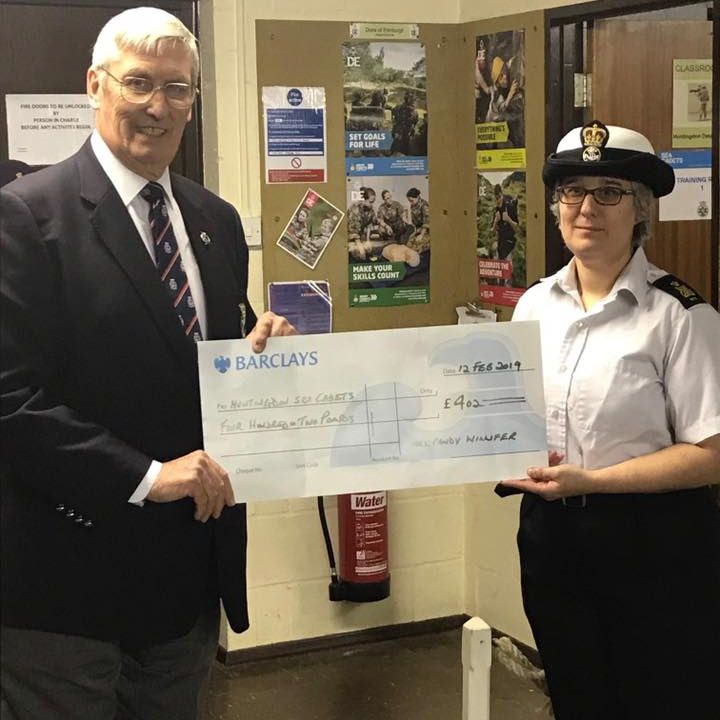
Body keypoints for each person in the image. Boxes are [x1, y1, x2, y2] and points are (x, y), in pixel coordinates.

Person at [0, 8, 295, 720]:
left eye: (177, 88)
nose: (158, 106)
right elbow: (11, 399)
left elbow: (194, 354)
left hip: (187, 580)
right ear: (94, 86)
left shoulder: (215, 221)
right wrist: (148, 476)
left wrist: (259, 351)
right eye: (138, 83)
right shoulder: (25, 216)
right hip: (66, 591)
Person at [497, 120, 720, 720]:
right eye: (572, 191)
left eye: (609, 192)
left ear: (641, 210)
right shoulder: (533, 304)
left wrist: (593, 482)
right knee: (576, 695)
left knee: (659, 699)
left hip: (653, 541)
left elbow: (712, 454)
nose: (586, 208)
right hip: (551, 538)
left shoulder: (680, 315)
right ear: (555, 207)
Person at [490, 183, 519, 285]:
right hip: (500, 244)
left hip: (511, 245)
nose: (497, 200)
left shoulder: (510, 207)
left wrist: (508, 220)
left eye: (499, 197)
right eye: (496, 198)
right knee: (499, 275)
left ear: (501, 195)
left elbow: (517, 228)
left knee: (508, 274)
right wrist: (495, 221)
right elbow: (492, 231)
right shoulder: (496, 210)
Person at [347, 186, 381, 261]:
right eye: (370, 202)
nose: (372, 204)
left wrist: (368, 240)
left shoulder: (370, 210)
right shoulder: (355, 209)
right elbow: (353, 231)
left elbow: (369, 225)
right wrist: (360, 246)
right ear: (364, 200)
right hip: (350, 235)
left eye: (373, 202)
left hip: (359, 234)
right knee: (360, 254)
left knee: (369, 249)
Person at [390, 91, 418, 156]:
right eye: (414, 100)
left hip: (398, 133)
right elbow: (414, 123)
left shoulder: (398, 107)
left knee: (395, 150)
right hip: (405, 135)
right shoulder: (414, 112)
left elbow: (393, 115)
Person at [405, 187, 430, 253]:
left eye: (411, 200)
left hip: (427, 231)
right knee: (409, 245)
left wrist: (421, 235)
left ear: (418, 197)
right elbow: (415, 222)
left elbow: (427, 221)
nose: (410, 203)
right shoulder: (413, 205)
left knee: (417, 247)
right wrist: (415, 233)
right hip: (419, 230)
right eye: (409, 201)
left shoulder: (424, 205)